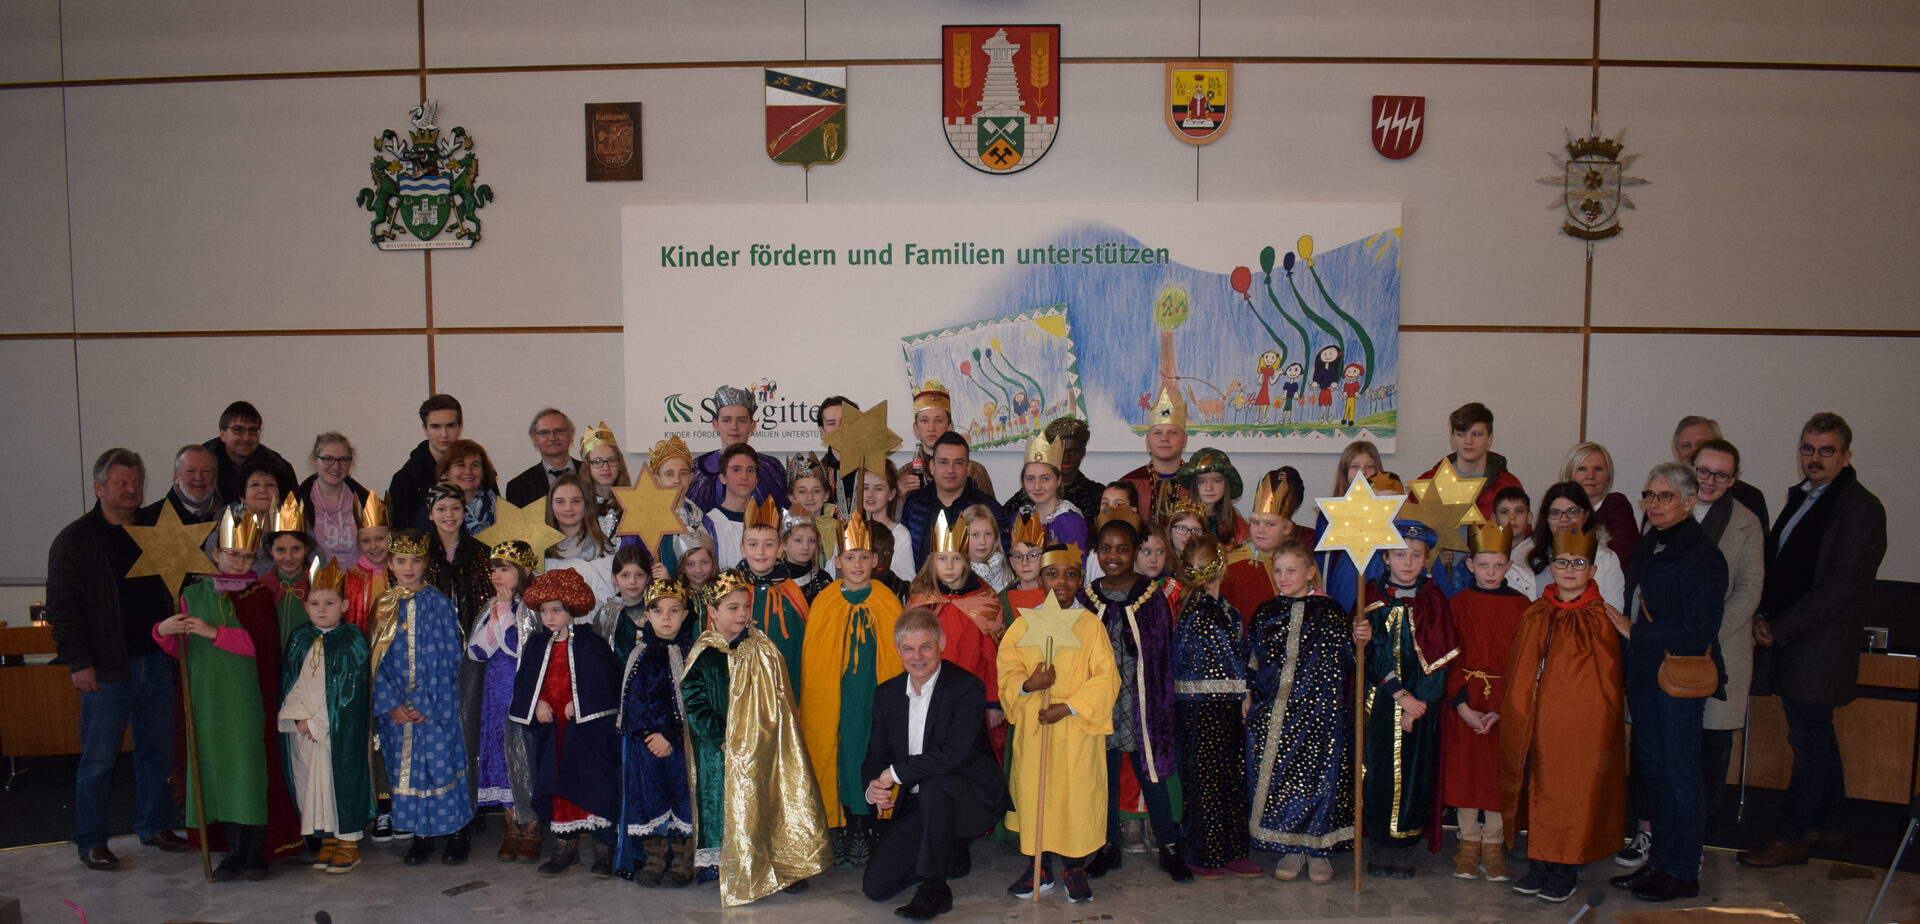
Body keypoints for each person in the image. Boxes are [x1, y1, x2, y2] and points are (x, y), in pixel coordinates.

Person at [1738, 412, 1887, 868]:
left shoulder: (1862, 509)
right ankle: (1831, 823)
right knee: (1816, 735)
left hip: (1821, 644)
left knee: (1807, 740)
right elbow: (1782, 563)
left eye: (1826, 451)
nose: (1815, 458)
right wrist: (1764, 613)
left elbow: (1842, 587)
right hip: (1794, 638)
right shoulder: (1804, 497)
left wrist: (1779, 626)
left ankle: (1794, 835)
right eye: (1808, 449)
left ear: (1846, 456)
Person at [47, 449, 187, 871]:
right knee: (99, 759)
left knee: (157, 753)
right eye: (121, 482)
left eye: (137, 483)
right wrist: (78, 661)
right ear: (99, 487)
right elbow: (63, 607)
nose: (132, 490)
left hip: (156, 662)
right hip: (107, 667)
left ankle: (155, 825)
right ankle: (91, 840)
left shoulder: (154, 531)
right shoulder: (76, 540)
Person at [158, 506, 304, 879]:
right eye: (232, 554)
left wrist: (215, 633)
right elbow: (178, 649)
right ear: (215, 554)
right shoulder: (192, 594)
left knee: (247, 770)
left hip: (246, 700)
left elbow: (264, 647)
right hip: (207, 701)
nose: (239, 562)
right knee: (217, 770)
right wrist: (164, 631)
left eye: (247, 556)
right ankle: (233, 849)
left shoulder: (258, 595)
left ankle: (255, 850)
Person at [1605, 463, 1727, 902]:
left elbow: (1699, 628)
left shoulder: (1702, 555)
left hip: (1678, 680)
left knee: (1680, 774)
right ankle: (1659, 863)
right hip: (1644, 676)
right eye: (1649, 495)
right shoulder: (1649, 544)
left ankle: (1683, 870)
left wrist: (1636, 632)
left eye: (1665, 496)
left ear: (1690, 502)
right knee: (1654, 772)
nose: (1653, 504)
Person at [681, 570, 832, 905]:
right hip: (721, 752)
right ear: (713, 612)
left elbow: (779, 696)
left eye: (746, 606)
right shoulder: (704, 653)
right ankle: (728, 865)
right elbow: (693, 702)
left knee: (767, 800)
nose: (742, 614)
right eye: (732, 608)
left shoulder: (761, 646)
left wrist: (774, 736)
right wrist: (720, 738)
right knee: (727, 807)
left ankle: (778, 863)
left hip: (762, 744)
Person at [1500, 525, 1626, 904]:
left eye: (1579, 563)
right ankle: (1540, 860)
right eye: (1562, 562)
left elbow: (1605, 682)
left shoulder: (1598, 618)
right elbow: (1520, 666)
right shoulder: (1537, 611)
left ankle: (1565, 866)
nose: (1570, 569)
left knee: (1571, 790)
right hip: (1537, 720)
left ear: (1592, 570)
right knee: (1539, 788)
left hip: (1578, 726)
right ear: (1551, 567)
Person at [860, 607, 1008, 919]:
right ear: (898, 649)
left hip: (969, 796)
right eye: (908, 648)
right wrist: (873, 786)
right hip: (919, 802)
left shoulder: (966, 688)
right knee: (876, 887)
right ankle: (944, 849)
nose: (917, 657)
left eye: (925, 646)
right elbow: (876, 753)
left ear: (941, 643)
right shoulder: (887, 694)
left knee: (934, 784)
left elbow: (952, 755)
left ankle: (935, 889)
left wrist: (893, 774)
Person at [999, 542, 1119, 903]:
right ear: (1041, 579)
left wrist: (1068, 707)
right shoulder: (1024, 625)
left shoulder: (1090, 626)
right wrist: (1029, 684)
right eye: (1052, 574)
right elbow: (1008, 672)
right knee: (1035, 794)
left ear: (1080, 579)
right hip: (1036, 726)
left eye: (1070, 575)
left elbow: (1106, 677)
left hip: (1076, 728)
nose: (1061, 582)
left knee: (1075, 797)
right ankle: (1038, 866)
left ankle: (1075, 865)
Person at [1081, 508, 1188, 882]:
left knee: (1151, 774)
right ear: (1096, 551)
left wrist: (1160, 705)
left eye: (1122, 549)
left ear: (1133, 553)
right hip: (1103, 703)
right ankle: (1107, 845)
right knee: (1105, 775)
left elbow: (1160, 654)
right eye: (1106, 549)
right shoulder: (1088, 597)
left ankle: (1169, 845)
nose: (1113, 556)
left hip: (1142, 701)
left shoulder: (1150, 597)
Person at [1247, 538, 1361, 885]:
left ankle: (1319, 851)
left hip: (1320, 715)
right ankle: (1292, 848)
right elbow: (1253, 659)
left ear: (1310, 572)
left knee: (1319, 781)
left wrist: (1361, 639)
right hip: (1276, 715)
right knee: (1284, 784)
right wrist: (1248, 694)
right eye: (1278, 571)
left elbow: (1351, 661)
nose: (1283, 578)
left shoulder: (1331, 613)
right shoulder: (1266, 613)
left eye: (1291, 571)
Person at [801, 510, 905, 869]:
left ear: (875, 560)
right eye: (850, 558)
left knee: (874, 749)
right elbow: (815, 660)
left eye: (864, 557)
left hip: (876, 694)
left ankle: (873, 821)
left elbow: (897, 655)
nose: (857, 565)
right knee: (843, 752)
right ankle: (846, 822)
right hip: (838, 697)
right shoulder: (826, 601)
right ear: (837, 561)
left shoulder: (887, 600)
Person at [511, 567, 623, 878]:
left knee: (595, 782)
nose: (549, 617)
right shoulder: (536, 645)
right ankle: (565, 846)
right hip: (554, 732)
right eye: (545, 611)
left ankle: (604, 847)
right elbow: (526, 683)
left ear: (571, 610)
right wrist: (537, 703)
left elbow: (605, 681)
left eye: (557, 610)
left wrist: (581, 700)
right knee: (558, 783)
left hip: (587, 732)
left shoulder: (590, 643)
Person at [371, 528, 475, 865]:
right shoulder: (383, 606)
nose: (408, 568)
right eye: (401, 561)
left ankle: (457, 833)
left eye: (415, 561)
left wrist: (423, 703)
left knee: (441, 766)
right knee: (408, 772)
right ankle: (421, 835)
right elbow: (375, 661)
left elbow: (449, 659)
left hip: (435, 707)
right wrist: (391, 703)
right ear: (390, 564)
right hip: (397, 711)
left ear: (426, 563)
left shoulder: (439, 605)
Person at [1360, 521, 1458, 879]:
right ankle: (1380, 842)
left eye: (1416, 556)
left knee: (1415, 773)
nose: (1408, 562)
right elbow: (1372, 655)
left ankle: (1404, 845)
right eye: (1400, 555)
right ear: (1386, 558)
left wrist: (1419, 705)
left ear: (1425, 560)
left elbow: (1442, 658)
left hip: (1420, 708)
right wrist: (1399, 695)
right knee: (1378, 772)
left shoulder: (1434, 599)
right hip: (1381, 703)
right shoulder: (1371, 596)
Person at [1441, 524, 1529, 883]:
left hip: (1501, 705)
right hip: (1465, 701)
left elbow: (1523, 661)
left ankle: (1493, 843)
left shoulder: (1522, 607)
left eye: (1498, 565)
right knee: (1466, 772)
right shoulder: (1458, 604)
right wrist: (1462, 705)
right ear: (1470, 565)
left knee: (1495, 774)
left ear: (1509, 566)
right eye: (1483, 565)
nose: (1490, 572)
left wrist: (1500, 707)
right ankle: (1467, 842)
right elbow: (1448, 655)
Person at [277, 559, 375, 875]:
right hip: (304, 730)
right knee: (311, 783)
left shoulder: (352, 639)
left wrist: (319, 722)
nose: (321, 609)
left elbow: (351, 690)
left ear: (344, 605)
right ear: (305, 607)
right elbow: (291, 684)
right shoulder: (299, 639)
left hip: (337, 731)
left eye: (330, 603)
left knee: (339, 782)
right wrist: (299, 719)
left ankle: (348, 842)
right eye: (315, 603)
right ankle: (328, 837)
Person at [1169, 535, 1255, 880]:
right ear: (1221, 566)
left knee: (1231, 778)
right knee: (1205, 780)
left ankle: (1231, 848)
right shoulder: (1197, 612)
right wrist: (1242, 688)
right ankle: (1201, 851)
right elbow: (1225, 660)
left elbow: (1241, 653)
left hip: (1227, 707)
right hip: (1201, 709)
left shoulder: (1227, 610)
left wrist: (1245, 688)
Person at [1690, 440, 1765, 832]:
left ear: (1734, 479)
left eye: (1721, 475)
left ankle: (1701, 832)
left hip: (1723, 644)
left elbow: (1749, 590)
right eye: (1703, 471)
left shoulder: (1746, 522)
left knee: (1712, 744)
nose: (1709, 481)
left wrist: (1702, 633)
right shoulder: (1667, 508)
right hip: (1669, 648)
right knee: (1668, 743)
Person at [615, 578, 697, 887]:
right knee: (651, 796)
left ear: (685, 615)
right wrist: (648, 735)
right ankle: (655, 854)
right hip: (647, 746)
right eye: (658, 611)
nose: (666, 618)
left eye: (674, 611)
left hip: (681, 746)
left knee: (683, 795)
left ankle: (684, 856)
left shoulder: (692, 653)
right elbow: (632, 700)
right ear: (647, 616)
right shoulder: (639, 654)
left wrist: (671, 735)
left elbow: (693, 700)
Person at [905, 512, 1006, 760]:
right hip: (927, 696)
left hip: (971, 697)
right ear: (932, 561)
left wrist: (993, 702)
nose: (949, 567)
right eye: (942, 559)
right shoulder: (920, 601)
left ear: (966, 560)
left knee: (967, 757)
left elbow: (992, 657)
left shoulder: (984, 601)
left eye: (956, 559)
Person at [467, 540, 540, 862]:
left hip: (523, 695)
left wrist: (507, 613)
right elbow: (477, 652)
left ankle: (532, 825)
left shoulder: (533, 608)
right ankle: (512, 826)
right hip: (495, 698)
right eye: (494, 569)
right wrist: (497, 616)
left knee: (524, 755)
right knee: (501, 756)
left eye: (505, 569)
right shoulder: (490, 607)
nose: (497, 575)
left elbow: (518, 648)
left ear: (524, 572)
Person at [899, 432, 1010, 568]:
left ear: (968, 469)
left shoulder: (991, 509)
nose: (950, 470)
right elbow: (903, 560)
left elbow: (1006, 564)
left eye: (958, 463)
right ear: (932, 467)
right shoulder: (914, 506)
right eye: (943, 462)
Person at [734, 497, 809, 692]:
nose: (760, 551)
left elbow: (804, 645)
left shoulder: (791, 592)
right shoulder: (732, 590)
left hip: (784, 683)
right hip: (744, 687)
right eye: (753, 544)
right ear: (742, 549)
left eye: (768, 544)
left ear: (780, 549)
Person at [1512, 482, 1626, 610]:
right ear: (1546, 518)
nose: (1564, 519)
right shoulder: (1520, 558)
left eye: (1573, 511)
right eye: (1555, 513)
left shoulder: (1606, 560)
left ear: (1586, 515)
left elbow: (1613, 614)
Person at [686, 385, 790, 512]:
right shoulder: (697, 470)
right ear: (716, 425)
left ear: (752, 425)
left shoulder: (771, 468)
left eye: (741, 420)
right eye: (726, 420)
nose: (734, 427)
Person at [1418, 402, 1522, 521]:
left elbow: (1522, 531)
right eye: (1461, 434)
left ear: (1490, 439)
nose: (1468, 441)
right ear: (1453, 439)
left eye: (1476, 434)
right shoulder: (1427, 483)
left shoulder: (1507, 485)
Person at [1221, 469, 1298, 628]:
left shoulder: (1299, 564)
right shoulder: (1230, 564)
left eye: (1270, 524)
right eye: (1255, 523)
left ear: (1287, 528)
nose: (1260, 530)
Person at [896, 382, 994, 498]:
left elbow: (991, 509)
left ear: (949, 427)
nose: (931, 428)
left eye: (938, 420)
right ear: (916, 429)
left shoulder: (974, 471)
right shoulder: (905, 475)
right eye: (924, 421)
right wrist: (899, 497)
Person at [1671, 415, 1768, 527]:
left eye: (1702, 444)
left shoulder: (1749, 498)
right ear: (1677, 452)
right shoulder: (1663, 493)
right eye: (1686, 446)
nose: (1694, 452)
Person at [388, 394, 465, 532]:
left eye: (450, 426)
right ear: (425, 429)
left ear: (460, 427)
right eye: (435, 427)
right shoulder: (405, 480)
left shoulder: (477, 472)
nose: (444, 434)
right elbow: (400, 534)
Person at [1001, 417, 1104, 518]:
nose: (1066, 458)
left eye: (1072, 451)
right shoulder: (1029, 494)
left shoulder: (1097, 495)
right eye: (1060, 451)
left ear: (1082, 453)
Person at [295, 432, 371, 568]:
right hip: (314, 580)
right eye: (328, 459)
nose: (336, 466)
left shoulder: (365, 501)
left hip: (359, 578)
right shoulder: (297, 503)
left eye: (343, 460)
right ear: (314, 459)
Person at [1561, 441, 1640, 570]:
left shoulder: (1617, 508)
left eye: (1598, 469)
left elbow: (1624, 563)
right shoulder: (1559, 511)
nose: (1590, 476)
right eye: (1582, 469)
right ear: (1569, 476)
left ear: (1608, 477)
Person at [1008, 428, 1089, 555]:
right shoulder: (1020, 518)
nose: (1037, 486)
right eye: (1030, 479)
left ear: (1058, 480)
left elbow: (1076, 563)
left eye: (1045, 478)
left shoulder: (1069, 521)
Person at [204, 400, 297, 502]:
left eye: (253, 430)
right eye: (238, 430)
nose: (246, 437)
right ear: (222, 434)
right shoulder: (203, 464)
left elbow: (292, 509)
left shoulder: (279, 467)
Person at [544, 473, 618, 601]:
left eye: (576, 501)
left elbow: (608, 599)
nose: (568, 508)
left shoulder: (602, 550)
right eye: (560, 501)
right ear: (551, 505)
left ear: (587, 504)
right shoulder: (540, 551)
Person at [645, 436, 710, 579]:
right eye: (669, 474)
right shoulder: (644, 521)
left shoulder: (703, 521)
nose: (677, 480)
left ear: (691, 477)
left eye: (683, 473)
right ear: (656, 478)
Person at [1119, 387, 1190, 517]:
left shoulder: (1199, 484)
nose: (1164, 438)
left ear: (1185, 440)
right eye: (1157, 433)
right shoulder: (1128, 484)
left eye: (1173, 433)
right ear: (1147, 441)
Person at [261, 493, 316, 646]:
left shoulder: (318, 584)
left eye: (296, 549)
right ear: (270, 550)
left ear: (306, 548)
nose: (288, 557)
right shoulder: (262, 588)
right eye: (280, 550)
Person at [700, 443, 763, 572]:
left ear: (756, 480)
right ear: (723, 478)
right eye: (736, 470)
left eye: (750, 470)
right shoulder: (708, 525)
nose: (744, 476)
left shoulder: (767, 521)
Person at [505, 408, 580, 507]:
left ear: (571, 435)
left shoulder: (594, 475)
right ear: (534, 439)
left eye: (559, 431)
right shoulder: (518, 487)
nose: (552, 438)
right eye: (544, 433)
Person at [426, 439, 500, 535]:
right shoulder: (433, 507)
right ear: (447, 470)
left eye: (475, 465)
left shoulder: (499, 507)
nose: (468, 471)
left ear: (483, 471)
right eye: (461, 465)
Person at [1177, 448, 1248, 547]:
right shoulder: (1179, 522)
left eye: (1217, 481)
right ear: (1193, 485)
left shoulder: (1239, 526)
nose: (1209, 488)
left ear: (1226, 485)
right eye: (1201, 482)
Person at [594, 545, 653, 662]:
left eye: (639, 575)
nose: (632, 581)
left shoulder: (657, 608)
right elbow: (598, 654)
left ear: (648, 578)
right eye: (625, 575)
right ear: (614, 579)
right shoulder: (606, 613)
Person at [343, 492, 391, 634]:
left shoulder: (402, 572)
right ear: (358, 543)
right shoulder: (353, 577)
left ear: (390, 537)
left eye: (380, 539)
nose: (373, 546)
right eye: (365, 541)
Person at [144, 443, 222, 528]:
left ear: (215, 476)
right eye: (190, 471)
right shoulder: (148, 520)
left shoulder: (230, 515)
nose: (199, 477)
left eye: (206, 471)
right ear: (176, 477)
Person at [860, 462, 915, 580]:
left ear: (891, 494)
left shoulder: (900, 534)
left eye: (878, 489)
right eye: (865, 488)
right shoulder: (850, 531)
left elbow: (906, 578)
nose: (870, 494)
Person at [580, 421, 632, 540]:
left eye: (611, 460)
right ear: (587, 467)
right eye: (597, 461)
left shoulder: (633, 505)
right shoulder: (579, 507)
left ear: (619, 463)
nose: (606, 467)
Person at [962, 503, 1012, 593]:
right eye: (975, 535)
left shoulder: (1006, 572)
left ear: (995, 536)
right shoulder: (956, 575)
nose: (983, 542)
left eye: (988, 534)